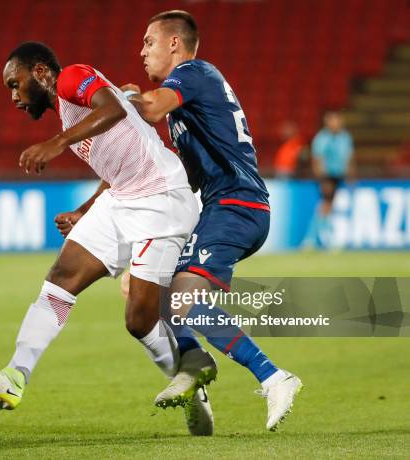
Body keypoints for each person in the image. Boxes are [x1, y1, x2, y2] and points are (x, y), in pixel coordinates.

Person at [0, 43, 202, 422]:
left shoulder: (71, 77)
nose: (14, 97)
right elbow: (118, 164)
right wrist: (84, 212)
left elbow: (115, 109)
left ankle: (190, 382)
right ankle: (14, 376)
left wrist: (57, 143)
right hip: (122, 199)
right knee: (60, 280)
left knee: (139, 320)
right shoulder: (71, 119)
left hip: (161, 199)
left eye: (15, 84)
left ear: (39, 72)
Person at [120, 10, 302, 431]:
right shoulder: (182, 108)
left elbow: (148, 107)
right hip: (219, 207)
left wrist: (119, 96)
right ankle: (193, 383)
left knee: (179, 298)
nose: (141, 51)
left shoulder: (194, 73)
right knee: (148, 290)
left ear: (173, 44)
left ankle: (273, 377)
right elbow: (188, 175)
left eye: (149, 42)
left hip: (238, 206)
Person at [303, 111, 355, 248]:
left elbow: (349, 157)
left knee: (328, 206)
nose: (336, 123)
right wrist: (323, 180)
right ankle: (314, 239)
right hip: (327, 176)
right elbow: (317, 160)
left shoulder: (345, 137)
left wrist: (351, 175)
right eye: (333, 120)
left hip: (339, 176)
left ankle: (319, 238)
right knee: (325, 205)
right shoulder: (322, 138)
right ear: (327, 123)